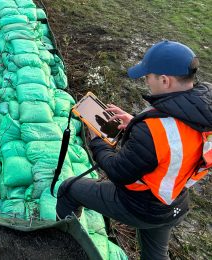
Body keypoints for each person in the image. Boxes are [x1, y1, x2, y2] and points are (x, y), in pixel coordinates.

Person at [56, 40, 212, 259]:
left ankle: (63, 248)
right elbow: (176, 139)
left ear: (165, 80)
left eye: (148, 77)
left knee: (68, 189)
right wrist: (137, 122)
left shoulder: (152, 131)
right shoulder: (202, 113)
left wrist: (97, 139)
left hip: (140, 205)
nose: (146, 81)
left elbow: (117, 172)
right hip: (173, 202)